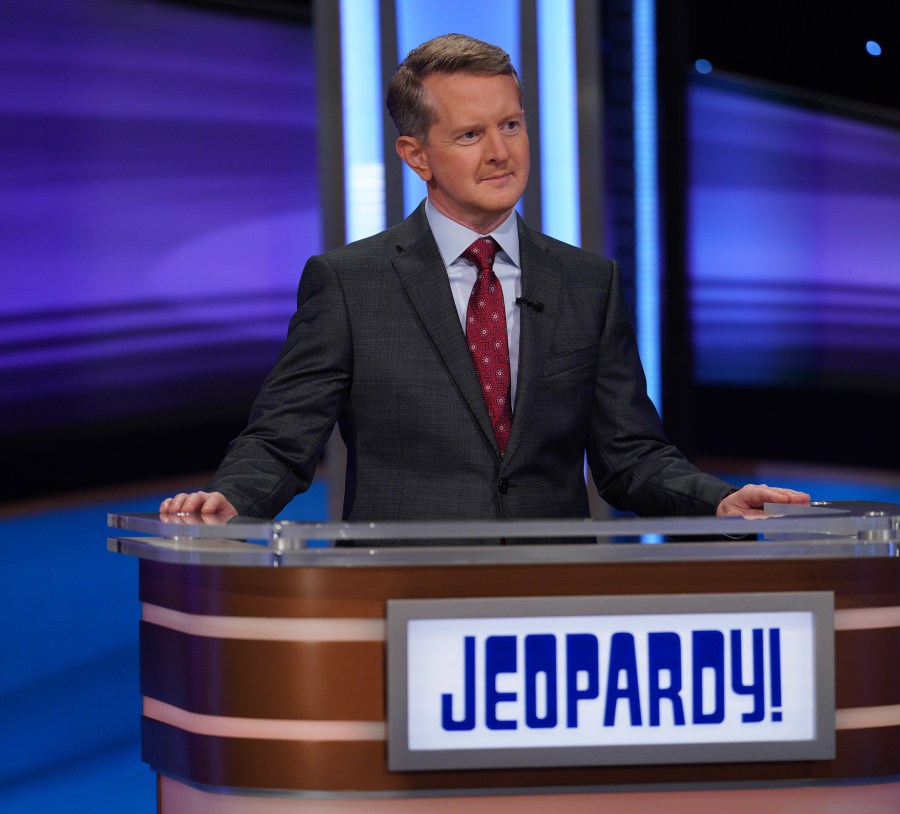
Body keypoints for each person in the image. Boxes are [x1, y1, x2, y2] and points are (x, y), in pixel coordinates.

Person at [160, 34, 808, 523]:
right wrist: (228, 500)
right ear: (416, 155)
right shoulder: (350, 284)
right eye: (471, 134)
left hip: (549, 609)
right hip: (402, 606)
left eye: (512, 125)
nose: (501, 152)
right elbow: (281, 439)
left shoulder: (588, 282)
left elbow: (630, 455)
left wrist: (718, 499)